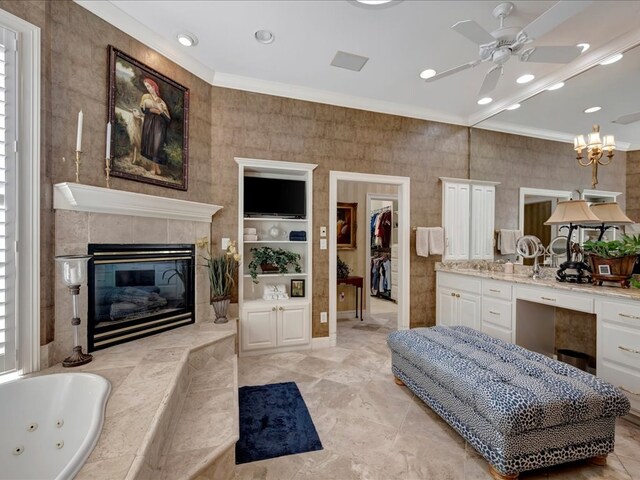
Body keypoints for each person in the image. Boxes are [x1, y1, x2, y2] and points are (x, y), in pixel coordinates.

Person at [139, 77, 171, 175]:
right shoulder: (146, 97)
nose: (148, 89)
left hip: (159, 126)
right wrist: (152, 110)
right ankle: (155, 167)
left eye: (149, 86)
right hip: (150, 124)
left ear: (153, 87)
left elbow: (168, 118)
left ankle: (155, 167)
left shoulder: (161, 102)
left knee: (157, 145)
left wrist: (160, 112)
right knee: (151, 144)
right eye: (146, 87)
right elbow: (143, 109)